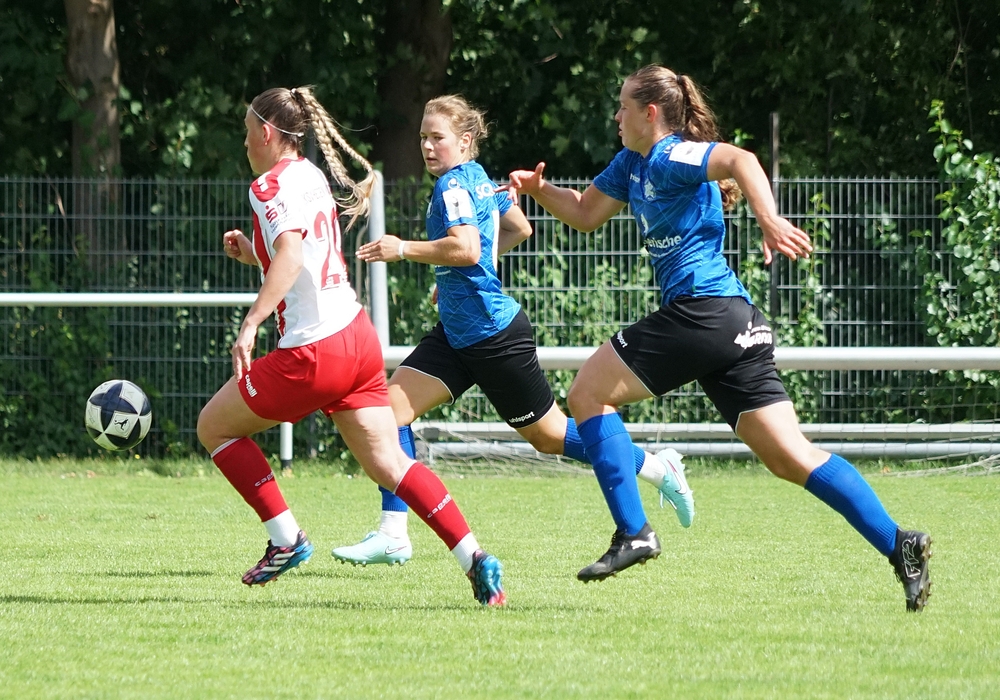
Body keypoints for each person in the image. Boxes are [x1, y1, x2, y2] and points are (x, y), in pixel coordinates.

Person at [506, 65, 932, 611]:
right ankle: (900, 544)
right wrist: (539, 190)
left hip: (703, 312)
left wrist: (768, 219)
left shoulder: (670, 154)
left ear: (650, 114)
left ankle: (635, 531)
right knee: (790, 457)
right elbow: (586, 213)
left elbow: (742, 160)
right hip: (733, 323)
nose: (616, 116)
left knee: (588, 394)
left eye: (623, 107)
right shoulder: (632, 164)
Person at [332, 94, 694, 568]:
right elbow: (519, 228)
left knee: (549, 435)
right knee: (388, 413)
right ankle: (393, 534)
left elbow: (465, 248)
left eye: (437, 137)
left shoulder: (454, 185)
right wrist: (460, 276)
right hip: (457, 334)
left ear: (465, 140)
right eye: (422, 137)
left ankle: (656, 466)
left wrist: (402, 249)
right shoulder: (479, 178)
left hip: (493, 337)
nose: (427, 146)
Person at [196, 86, 505, 606]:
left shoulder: (267, 185)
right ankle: (474, 557)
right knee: (390, 464)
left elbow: (293, 256)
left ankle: (286, 539)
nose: (245, 143)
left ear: (267, 133)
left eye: (247, 133)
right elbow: (304, 253)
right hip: (357, 338)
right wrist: (255, 253)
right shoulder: (310, 175)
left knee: (214, 427)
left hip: (313, 352)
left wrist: (251, 322)